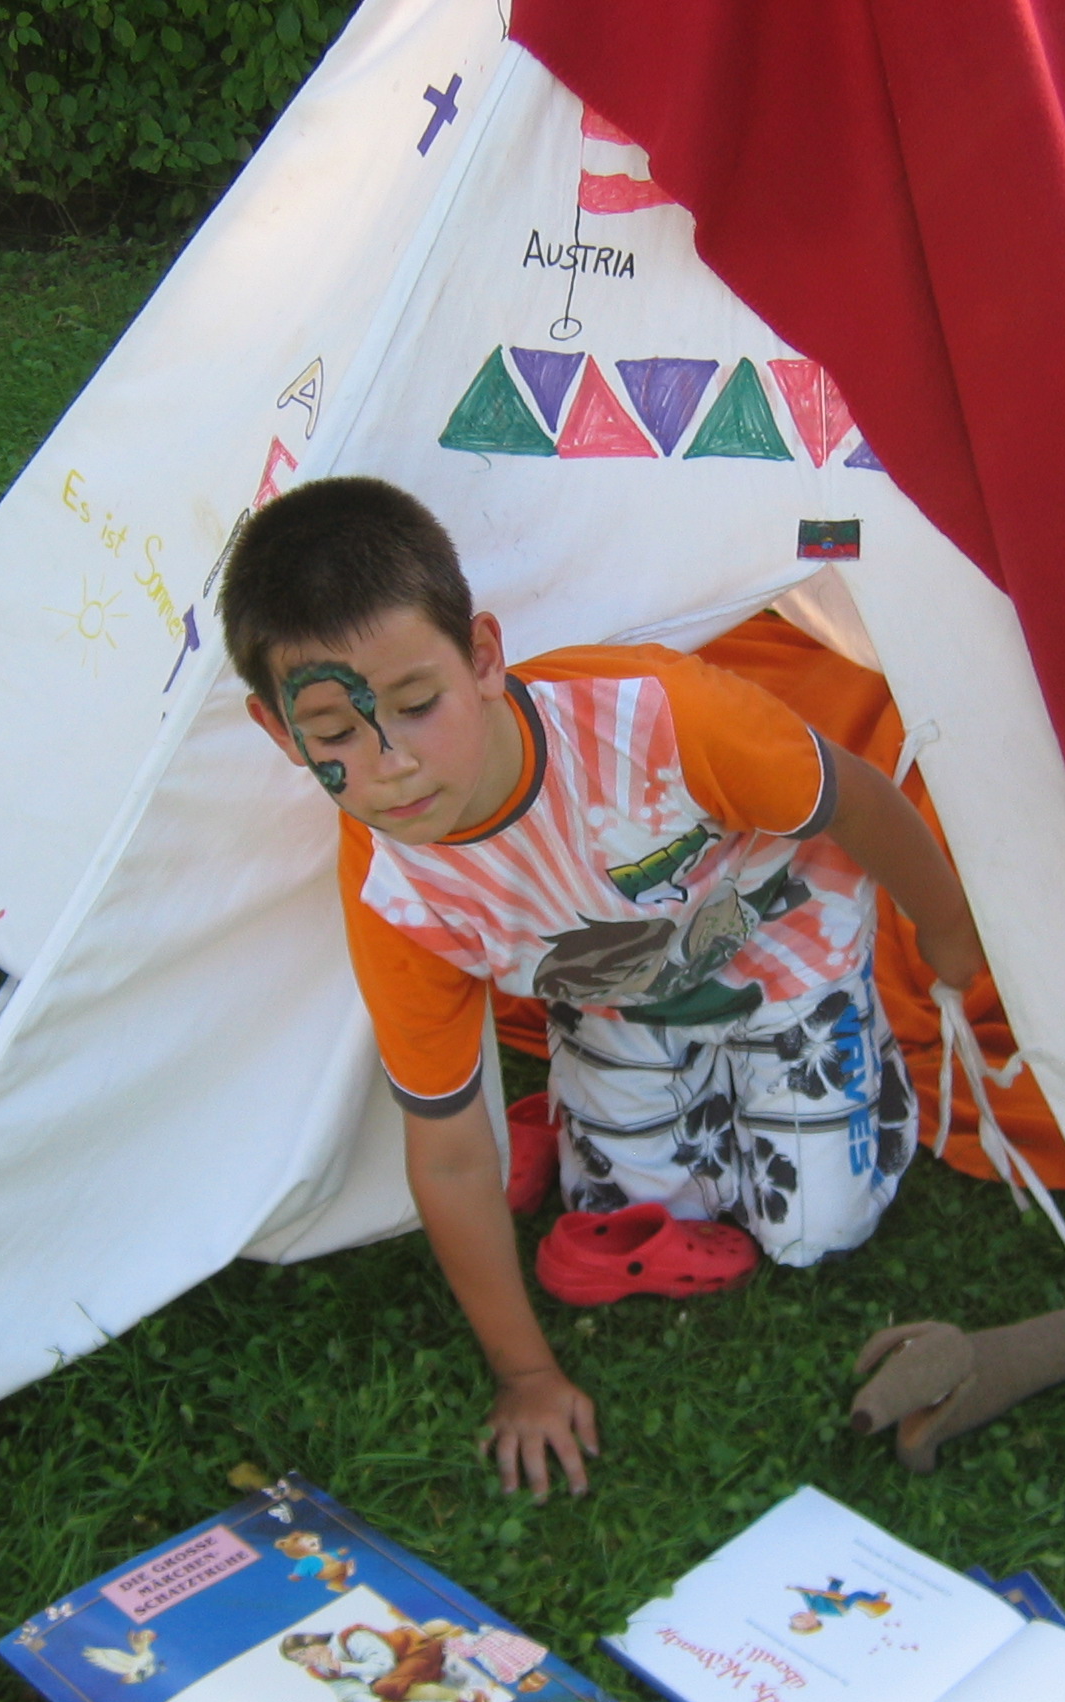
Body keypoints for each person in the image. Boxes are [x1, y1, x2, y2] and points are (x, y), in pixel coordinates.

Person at [222, 477, 986, 1500]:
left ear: (483, 658)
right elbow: (446, 1147)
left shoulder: (662, 717)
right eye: (335, 735)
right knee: (620, 1212)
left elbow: (856, 798)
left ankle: (760, 1079)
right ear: (280, 733)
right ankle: (584, 1120)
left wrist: (947, 931)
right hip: (622, 997)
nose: (391, 764)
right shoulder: (392, 891)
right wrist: (527, 1375)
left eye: (417, 706)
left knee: (813, 1235)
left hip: (785, 948)